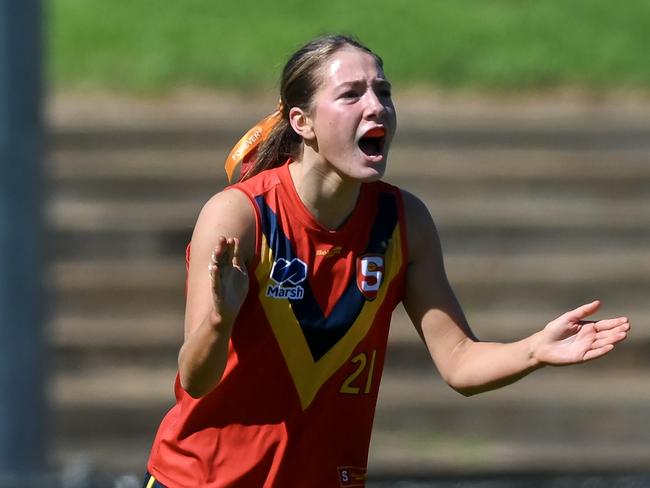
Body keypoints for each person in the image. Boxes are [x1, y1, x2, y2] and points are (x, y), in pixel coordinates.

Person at [143, 34, 630, 488]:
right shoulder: (240, 215)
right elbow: (196, 380)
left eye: (384, 91)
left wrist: (535, 349)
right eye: (351, 94)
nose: (377, 106)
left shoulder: (404, 222)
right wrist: (218, 321)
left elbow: (459, 361)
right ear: (302, 122)